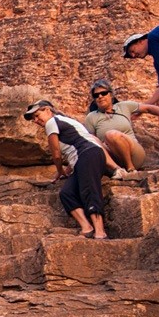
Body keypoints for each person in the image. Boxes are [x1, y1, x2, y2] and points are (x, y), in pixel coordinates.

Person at [24, 99, 110, 240]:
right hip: (86, 157)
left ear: (47, 110)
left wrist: (60, 171)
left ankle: (100, 231)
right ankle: (86, 227)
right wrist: (69, 170)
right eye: (33, 118)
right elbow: (74, 148)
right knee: (67, 193)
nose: (35, 120)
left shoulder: (52, 122)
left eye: (37, 115)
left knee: (90, 189)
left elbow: (56, 154)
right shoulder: (65, 122)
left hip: (88, 154)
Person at [82, 79, 159, 175]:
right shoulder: (91, 117)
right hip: (112, 159)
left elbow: (148, 108)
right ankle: (118, 170)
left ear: (111, 95)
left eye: (103, 93)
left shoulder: (123, 106)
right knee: (91, 138)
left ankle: (130, 169)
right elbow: (92, 143)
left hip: (134, 154)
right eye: (96, 95)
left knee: (111, 134)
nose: (100, 96)